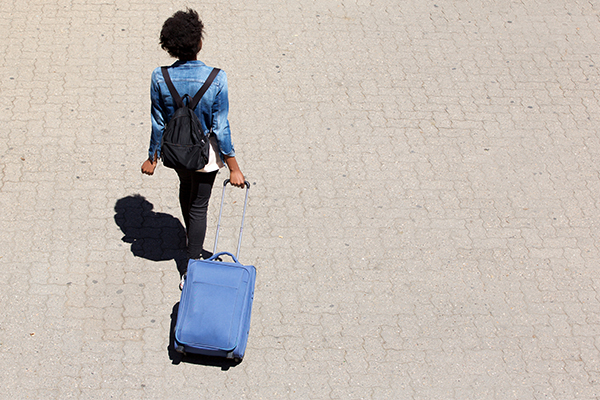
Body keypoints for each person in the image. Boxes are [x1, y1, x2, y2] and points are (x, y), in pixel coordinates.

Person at [141, 9, 245, 289]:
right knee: (200, 205)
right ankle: (192, 265)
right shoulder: (216, 78)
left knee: (186, 187)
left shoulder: (160, 76)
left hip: (175, 152)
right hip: (204, 154)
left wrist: (153, 156)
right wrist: (234, 168)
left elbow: (158, 120)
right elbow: (221, 127)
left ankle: (190, 239)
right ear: (199, 43)